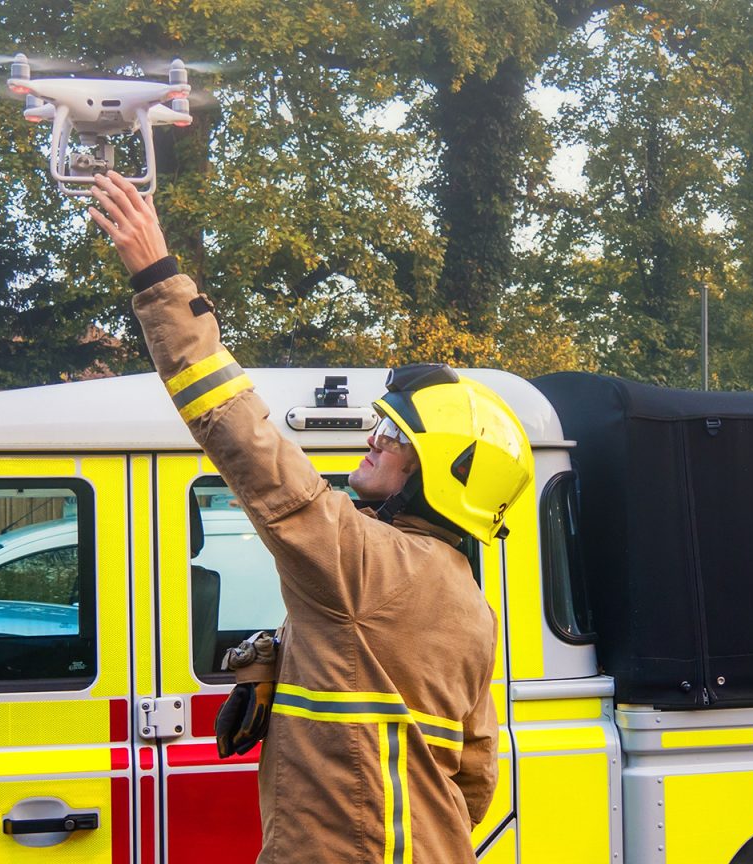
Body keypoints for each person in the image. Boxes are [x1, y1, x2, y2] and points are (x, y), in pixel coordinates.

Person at [87, 170, 532, 862]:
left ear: (438, 473)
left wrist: (157, 277)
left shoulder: (365, 564)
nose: (373, 440)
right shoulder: (468, 602)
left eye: (394, 435)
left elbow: (242, 435)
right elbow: (474, 780)